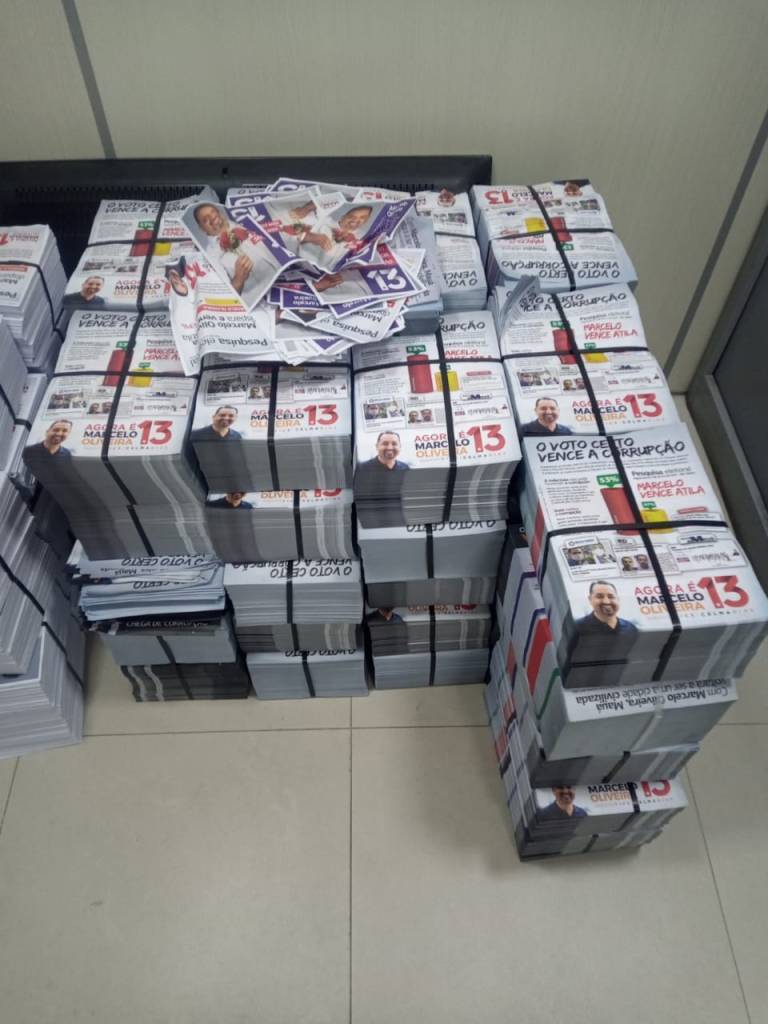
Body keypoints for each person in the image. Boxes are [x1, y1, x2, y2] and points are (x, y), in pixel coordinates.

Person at [191, 202, 277, 302]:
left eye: (213, 212)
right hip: (256, 300)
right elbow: (226, 299)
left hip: (278, 278)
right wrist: (239, 279)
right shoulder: (209, 255)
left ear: (220, 213)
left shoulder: (243, 222)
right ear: (201, 228)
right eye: (205, 219)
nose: (212, 218)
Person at [574, 580, 639, 660]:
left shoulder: (631, 628)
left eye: (611, 596)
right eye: (599, 596)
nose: (606, 601)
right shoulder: (577, 628)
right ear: (590, 599)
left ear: (618, 599)